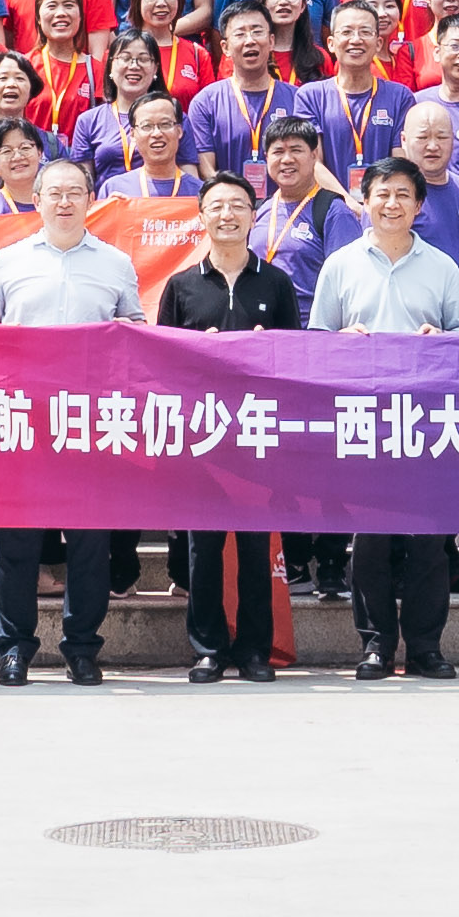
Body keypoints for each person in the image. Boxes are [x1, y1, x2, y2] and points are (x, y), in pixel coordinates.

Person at [0, 155, 149, 682]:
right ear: (37, 200)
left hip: (91, 421)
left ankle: (82, 647)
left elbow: (134, 330)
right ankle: (14, 646)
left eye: (75, 192)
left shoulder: (115, 263)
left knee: (90, 543)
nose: (65, 202)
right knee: (16, 542)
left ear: (90, 200)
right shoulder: (9, 260)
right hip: (23, 419)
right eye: (55, 193)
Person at [308, 156, 459, 677]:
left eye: (403, 194)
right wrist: (342, 341)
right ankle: (376, 644)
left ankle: (426, 646)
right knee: (371, 541)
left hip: (427, 423)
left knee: (429, 543)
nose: (392, 203)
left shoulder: (442, 266)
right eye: (382, 193)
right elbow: (315, 342)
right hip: (366, 421)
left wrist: (441, 340)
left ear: (419, 205)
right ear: (365, 201)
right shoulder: (341, 264)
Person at [155, 170, 306, 680]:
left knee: (254, 545)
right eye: (217, 206)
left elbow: (293, 360)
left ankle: (255, 649)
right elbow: (164, 364)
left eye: (238, 205)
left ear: (253, 215)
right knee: (203, 548)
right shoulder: (181, 286)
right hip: (204, 435)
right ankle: (208, 648)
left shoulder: (276, 283)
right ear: (201, 216)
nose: (227, 215)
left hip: (257, 433)